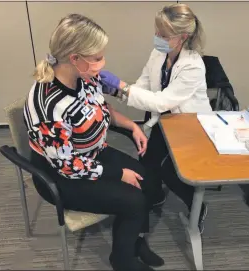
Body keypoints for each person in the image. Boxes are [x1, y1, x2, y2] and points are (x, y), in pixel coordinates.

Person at [23, 14, 164, 271]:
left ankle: (133, 241)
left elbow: (103, 108)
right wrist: (118, 174)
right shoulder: (49, 108)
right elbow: (68, 166)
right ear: (75, 59)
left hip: (91, 153)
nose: (102, 63)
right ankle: (122, 261)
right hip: (61, 175)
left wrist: (132, 125)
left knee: (149, 182)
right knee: (133, 200)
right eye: (97, 58)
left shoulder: (84, 77)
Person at [99, 3, 211, 233]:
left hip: (186, 124)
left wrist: (122, 87)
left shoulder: (193, 66)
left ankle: (198, 207)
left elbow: (162, 101)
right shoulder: (159, 52)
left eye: (163, 35)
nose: (157, 37)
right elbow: (145, 84)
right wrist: (119, 91)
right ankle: (154, 196)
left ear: (183, 36)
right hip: (162, 120)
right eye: (157, 32)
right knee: (147, 162)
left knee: (171, 172)